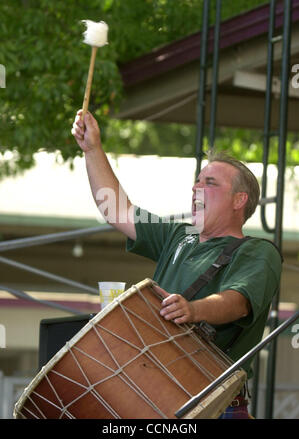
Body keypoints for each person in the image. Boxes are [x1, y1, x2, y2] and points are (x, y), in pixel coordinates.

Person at [71, 109, 282, 419]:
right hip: (157, 400)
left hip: (216, 405)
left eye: (209, 183)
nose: (196, 188)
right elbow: (117, 211)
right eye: (196, 181)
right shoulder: (176, 235)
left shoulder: (258, 251)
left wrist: (193, 310)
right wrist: (93, 149)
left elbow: (238, 302)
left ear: (239, 200)